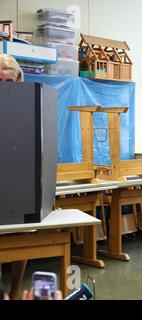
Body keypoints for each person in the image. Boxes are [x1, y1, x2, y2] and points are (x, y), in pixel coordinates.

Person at [0, 53, 27, 300]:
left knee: (23, 237)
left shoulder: (26, 107)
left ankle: (15, 293)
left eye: (9, 82)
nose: (4, 87)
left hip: (18, 184)